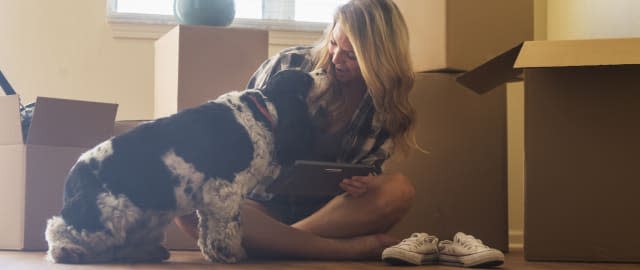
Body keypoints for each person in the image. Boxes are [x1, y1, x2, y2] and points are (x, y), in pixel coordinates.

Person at [175, 0, 417, 260]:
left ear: (380, 57)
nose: (336, 59)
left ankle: (280, 244)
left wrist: (365, 183)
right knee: (188, 198)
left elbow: (371, 171)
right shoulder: (288, 65)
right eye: (334, 43)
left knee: (398, 190)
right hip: (262, 205)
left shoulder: (386, 99)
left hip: (331, 213)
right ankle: (339, 250)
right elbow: (244, 130)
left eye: (351, 55)